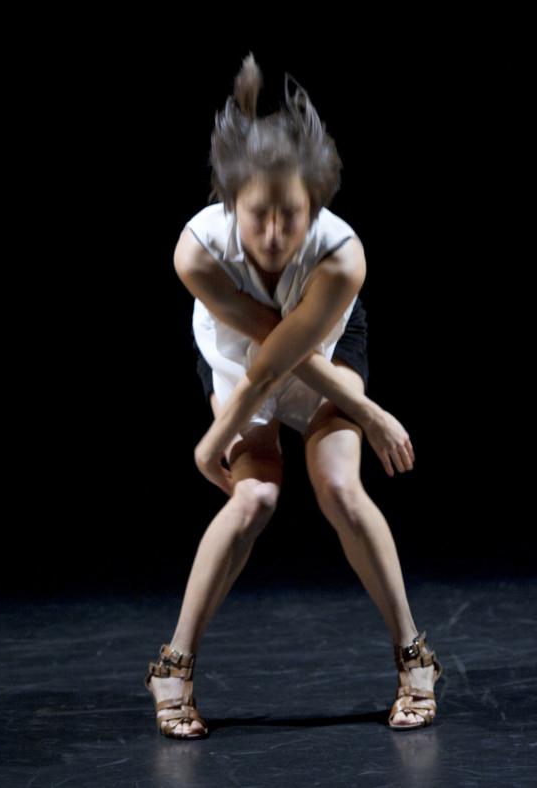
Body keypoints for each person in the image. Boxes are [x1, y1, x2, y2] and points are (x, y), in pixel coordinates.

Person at [144, 53, 443, 738]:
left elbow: (293, 352)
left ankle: (415, 657)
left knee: (339, 487)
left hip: (325, 349)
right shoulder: (197, 253)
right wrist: (368, 413)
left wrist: (359, 412)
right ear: (231, 202)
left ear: (316, 206)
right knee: (255, 497)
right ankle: (172, 667)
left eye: (292, 216)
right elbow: (261, 350)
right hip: (237, 352)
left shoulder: (341, 258)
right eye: (258, 215)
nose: (275, 235)